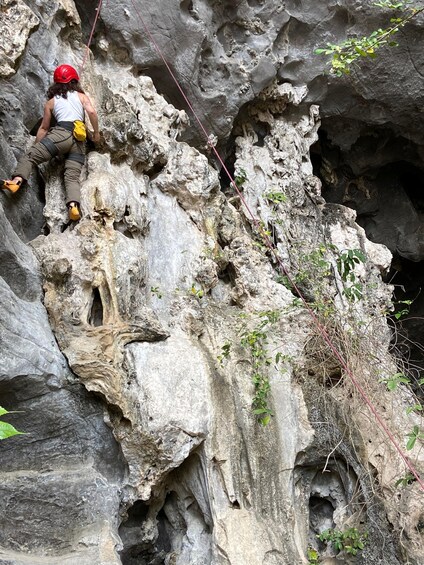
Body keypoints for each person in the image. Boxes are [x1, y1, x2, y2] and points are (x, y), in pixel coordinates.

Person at [1, 64, 100, 221]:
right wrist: (96, 133)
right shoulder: (81, 96)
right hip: (79, 141)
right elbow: (92, 112)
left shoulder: (51, 102)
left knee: (31, 156)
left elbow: (44, 128)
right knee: (72, 176)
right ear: (74, 81)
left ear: (56, 84)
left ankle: (15, 182)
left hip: (60, 135)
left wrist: (36, 146)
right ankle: (73, 206)